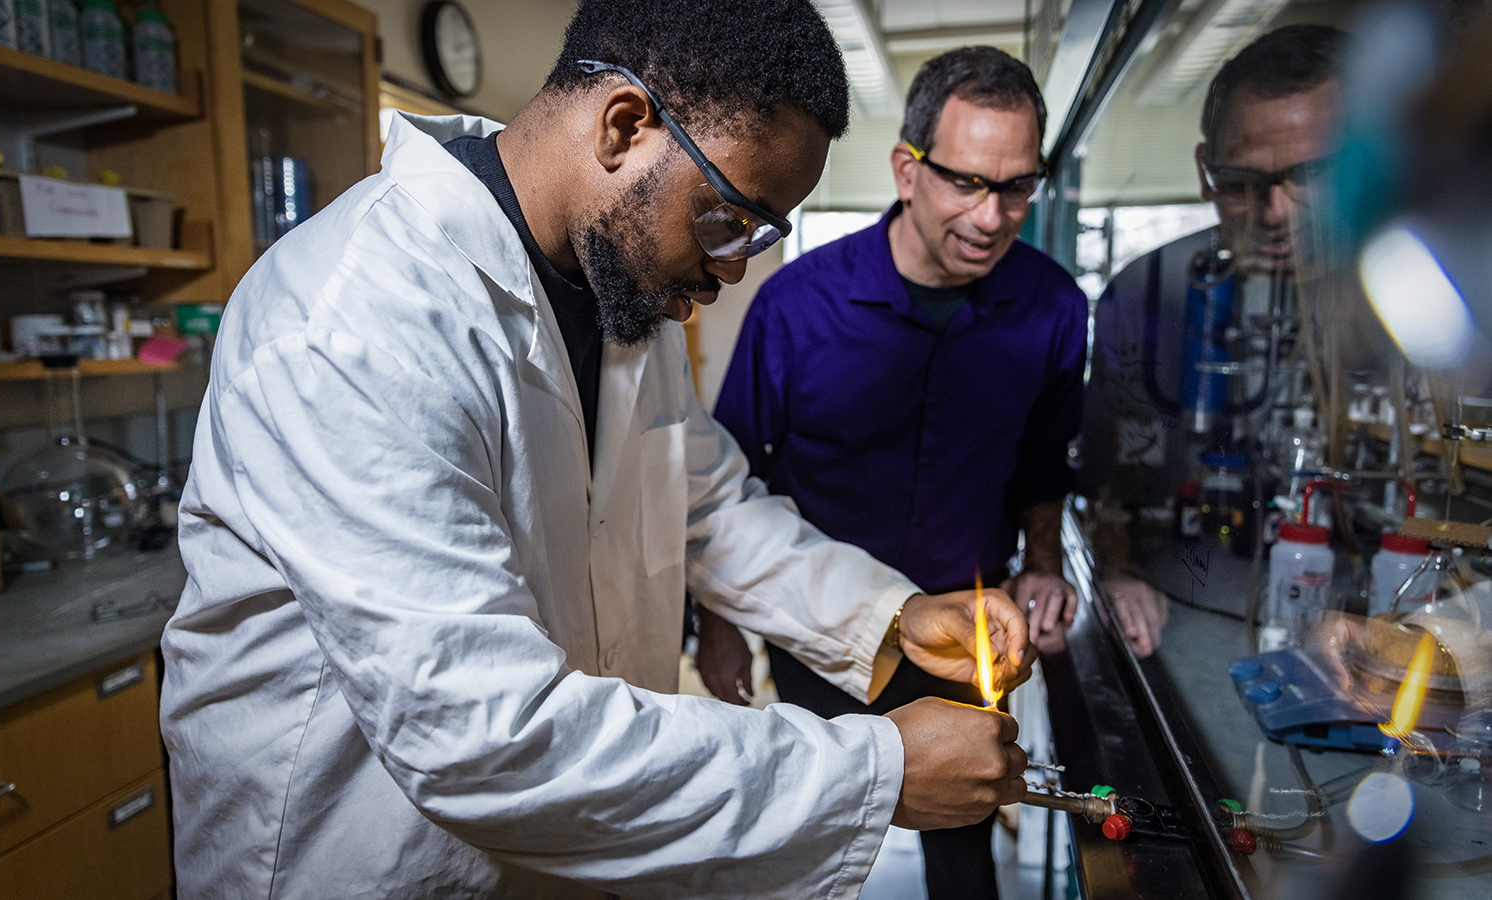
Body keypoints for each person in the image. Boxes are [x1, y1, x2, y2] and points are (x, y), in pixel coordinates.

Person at [159, 3, 1036, 898]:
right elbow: (483, 735)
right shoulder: (355, 319)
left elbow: (708, 508)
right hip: (360, 863)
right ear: (625, 125)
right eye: (730, 217)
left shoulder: (621, 299)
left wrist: (890, 617)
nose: (733, 270)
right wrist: (875, 771)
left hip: (559, 853)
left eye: (761, 234)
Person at [706, 46, 1159, 899]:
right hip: (819, 627)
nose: (993, 217)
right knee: (808, 837)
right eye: (966, 183)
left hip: (970, 630)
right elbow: (725, 484)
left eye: (1018, 186)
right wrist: (723, 623)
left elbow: (1042, 464)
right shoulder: (797, 305)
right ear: (907, 170)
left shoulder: (1056, 307)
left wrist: (1044, 567)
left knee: (964, 845)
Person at [1081, 25, 1346, 511]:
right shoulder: (1147, 289)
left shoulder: (1433, 291)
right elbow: (1110, 480)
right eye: (1240, 181)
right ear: (1205, 170)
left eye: (1310, 176)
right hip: (1176, 572)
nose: (1275, 212)